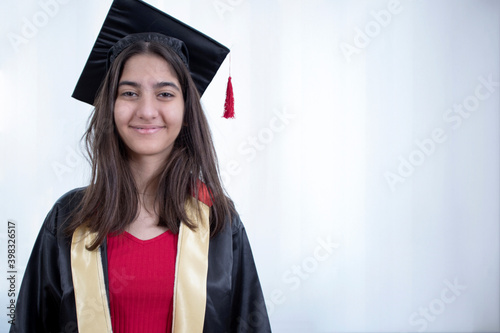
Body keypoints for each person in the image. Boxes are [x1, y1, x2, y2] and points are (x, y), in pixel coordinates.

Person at [10, 0, 271, 332]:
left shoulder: (218, 221)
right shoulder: (69, 218)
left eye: (165, 94)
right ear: (110, 106)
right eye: (129, 93)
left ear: (186, 109)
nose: (147, 111)